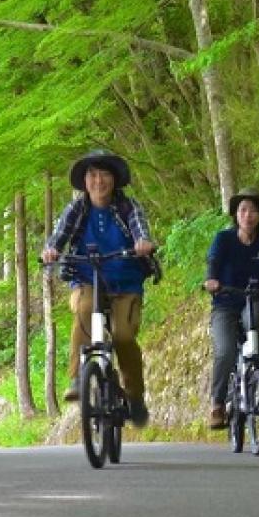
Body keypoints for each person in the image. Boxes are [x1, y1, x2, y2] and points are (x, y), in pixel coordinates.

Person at [42, 149, 156, 428]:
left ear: (114, 180)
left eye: (104, 174)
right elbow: (59, 236)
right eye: (93, 175)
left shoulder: (128, 207)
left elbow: (139, 228)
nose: (99, 181)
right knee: (82, 308)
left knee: (123, 336)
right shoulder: (77, 209)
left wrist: (142, 243)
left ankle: (134, 395)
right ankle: (79, 375)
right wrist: (51, 250)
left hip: (125, 279)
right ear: (85, 181)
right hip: (86, 276)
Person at [203, 187, 259, 429]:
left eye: (253, 210)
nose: (248, 215)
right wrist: (212, 280)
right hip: (224, 303)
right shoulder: (224, 239)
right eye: (243, 210)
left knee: (256, 324)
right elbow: (214, 261)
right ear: (236, 214)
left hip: (254, 298)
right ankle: (217, 404)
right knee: (225, 352)